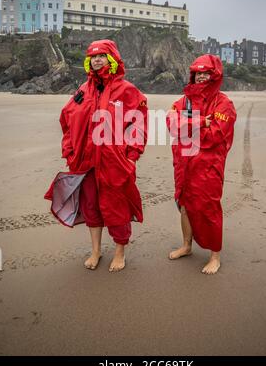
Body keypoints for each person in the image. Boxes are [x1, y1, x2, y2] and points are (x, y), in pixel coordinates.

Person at [45, 39, 148, 272]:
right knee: (92, 206)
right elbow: (67, 120)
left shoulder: (126, 90)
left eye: (101, 56)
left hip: (114, 162)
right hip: (86, 161)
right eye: (93, 57)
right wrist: (70, 152)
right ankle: (96, 251)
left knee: (116, 207)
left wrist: (131, 156)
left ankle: (120, 252)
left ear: (111, 59)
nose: (97, 60)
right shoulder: (83, 90)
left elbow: (138, 123)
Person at [167, 54, 236, 274]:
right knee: (184, 206)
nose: (201, 77)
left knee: (209, 209)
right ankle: (187, 246)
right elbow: (171, 124)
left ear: (214, 75)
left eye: (206, 73)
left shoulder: (224, 103)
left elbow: (215, 135)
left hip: (209, 166)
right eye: (198, 73)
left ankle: (215, 256)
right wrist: (199, 122)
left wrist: (188, 128)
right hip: (183, 164)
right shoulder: (183, 101)